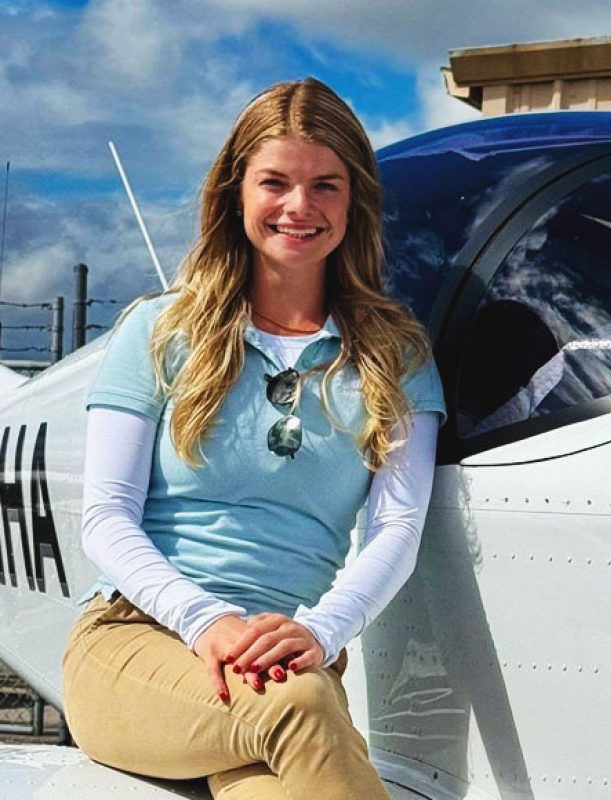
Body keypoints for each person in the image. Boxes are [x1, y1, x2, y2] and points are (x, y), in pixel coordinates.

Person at [61, 77, 445, 800]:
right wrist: (207, 621)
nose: (300, 207)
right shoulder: (159, 331)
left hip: (290, 665)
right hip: (137, 641)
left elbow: (399, 524)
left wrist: (324, 632)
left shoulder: (398, 355)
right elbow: (105, 519)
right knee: (298, 710)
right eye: (276, 182)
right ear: (236, 191)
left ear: (355, 200)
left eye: (326, 186)